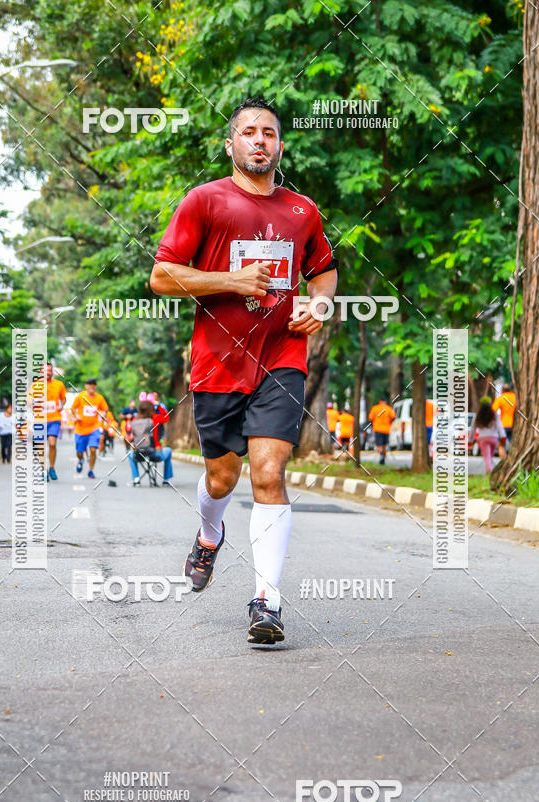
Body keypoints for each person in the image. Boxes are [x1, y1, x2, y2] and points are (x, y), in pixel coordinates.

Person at [150, 96, 338, 644]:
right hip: (217, 363)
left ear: (280, 146)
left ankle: (266, 601)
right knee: (221, 479)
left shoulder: (303, 210)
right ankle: (210, 534)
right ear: (230, 144)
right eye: (249, 132)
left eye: (270, 133)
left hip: (281, 358)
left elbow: (323, 273)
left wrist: (318, 306)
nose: (260, 140)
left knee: (268, 474)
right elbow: (162, 277)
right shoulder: (204, 201)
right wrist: (231, 281)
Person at [28, 362, 66, 481]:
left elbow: (63, 399)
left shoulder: (59, 384)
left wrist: (62, 406)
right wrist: (33, 402)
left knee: (52, 443)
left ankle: (52, 468)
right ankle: (43, 470)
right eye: (45, 370)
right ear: (40, 372)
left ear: (52, 372)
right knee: (40, 446)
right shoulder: (35, 385)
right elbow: (28, 401)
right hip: (40, 419)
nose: (47, 373)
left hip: (54, 419)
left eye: (49, 370)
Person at [71, 379, 111, 478]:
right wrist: (76, 416)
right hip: (80, 429)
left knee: (93, 449)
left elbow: (105, 409)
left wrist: (103, 414)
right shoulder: (80, 396)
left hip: (94, 428)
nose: (92, 387)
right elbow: (72, 409)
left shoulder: (99, 398)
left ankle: (91, 470)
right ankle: (81, 459)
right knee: (79, 451)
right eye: (90, 385)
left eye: (94, 385)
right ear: (86, 386)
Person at [128, 400, 173, 485]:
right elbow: (166, 417)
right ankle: (166, 479)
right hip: (155, 453)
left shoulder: (135, 420)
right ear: (151, 409)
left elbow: (132, 436)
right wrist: (159, 406)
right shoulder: (155, 418)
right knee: (169, 450)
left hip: (139, 454)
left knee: (130, 454)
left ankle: (136, 479)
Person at [469, 396, 505, 473]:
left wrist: (470, 440)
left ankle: (489, 471)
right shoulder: (494, 415)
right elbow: (499, 426)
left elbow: (473, 429)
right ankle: (490, 470)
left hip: (483, 439)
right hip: (494, 438)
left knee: (487, 457)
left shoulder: (478, 416)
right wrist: (503, 436)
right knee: (490, 456)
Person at [368, 395, 396, 464]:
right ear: (385, 402)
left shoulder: (375, 408)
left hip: (377, 429)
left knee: (378, 444)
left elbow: (370, 418)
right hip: (386, 429)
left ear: (380, 401)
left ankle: (381, 455)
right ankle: (383, 456)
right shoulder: (389, 409)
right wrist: (389, 422)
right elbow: (393, 417)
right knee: (384, 444)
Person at [492, 383, 517, 458]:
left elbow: (493, 410)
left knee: (501, 445)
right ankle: (513, 459)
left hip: (503, 426)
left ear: (502, 390)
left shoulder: (500, 398)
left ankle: (503, 460)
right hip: (514, 425)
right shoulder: (515, 397)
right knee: (513, 444)